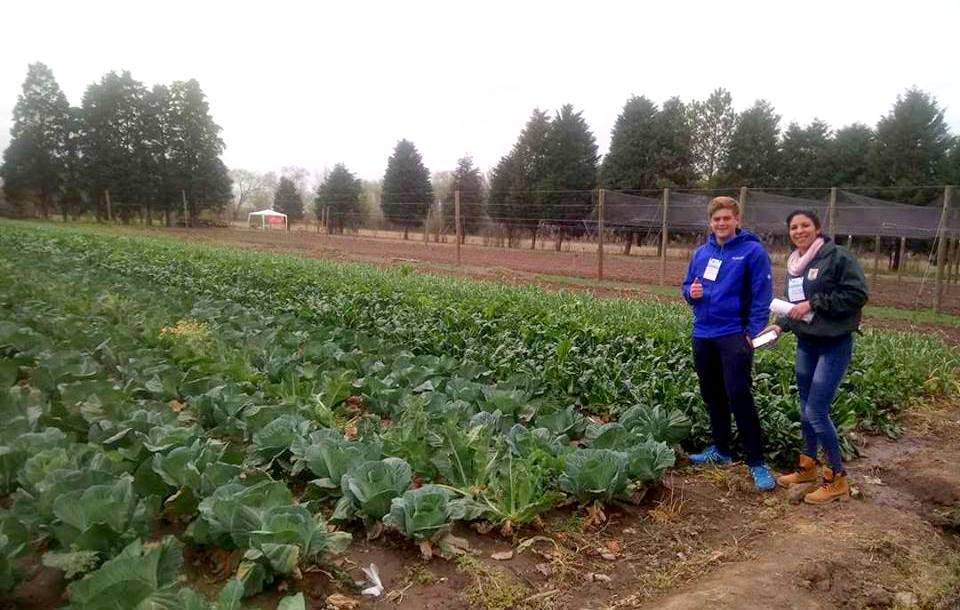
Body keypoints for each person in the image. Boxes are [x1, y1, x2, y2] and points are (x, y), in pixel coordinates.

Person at [763, 209, 868, 504]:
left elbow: (857, 294)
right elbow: (795, 306)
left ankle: (837, 478)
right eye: (794, 227)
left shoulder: (837, 257)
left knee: (816, 411)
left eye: (805, 225)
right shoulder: (795, 264)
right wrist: (780, 325)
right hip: (806, 343)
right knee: (805, 407)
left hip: (833, 344)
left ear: (817, 228)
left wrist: (814, 303)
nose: (799, 231)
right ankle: (807, 467)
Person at [681, 196, 776, 491]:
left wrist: (753, 331)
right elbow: (687, 286)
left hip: (734, 334)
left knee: (739, 395)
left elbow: (762, 295)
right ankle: (721, 450)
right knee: (712, 394)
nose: (721, 223)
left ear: (737, 220)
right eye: (716, 219)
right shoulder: (701, 253)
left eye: (726, 218)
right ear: (710, 222)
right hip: (703, 333)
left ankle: (757, 463)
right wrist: (691, 293)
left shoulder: (752, 252)